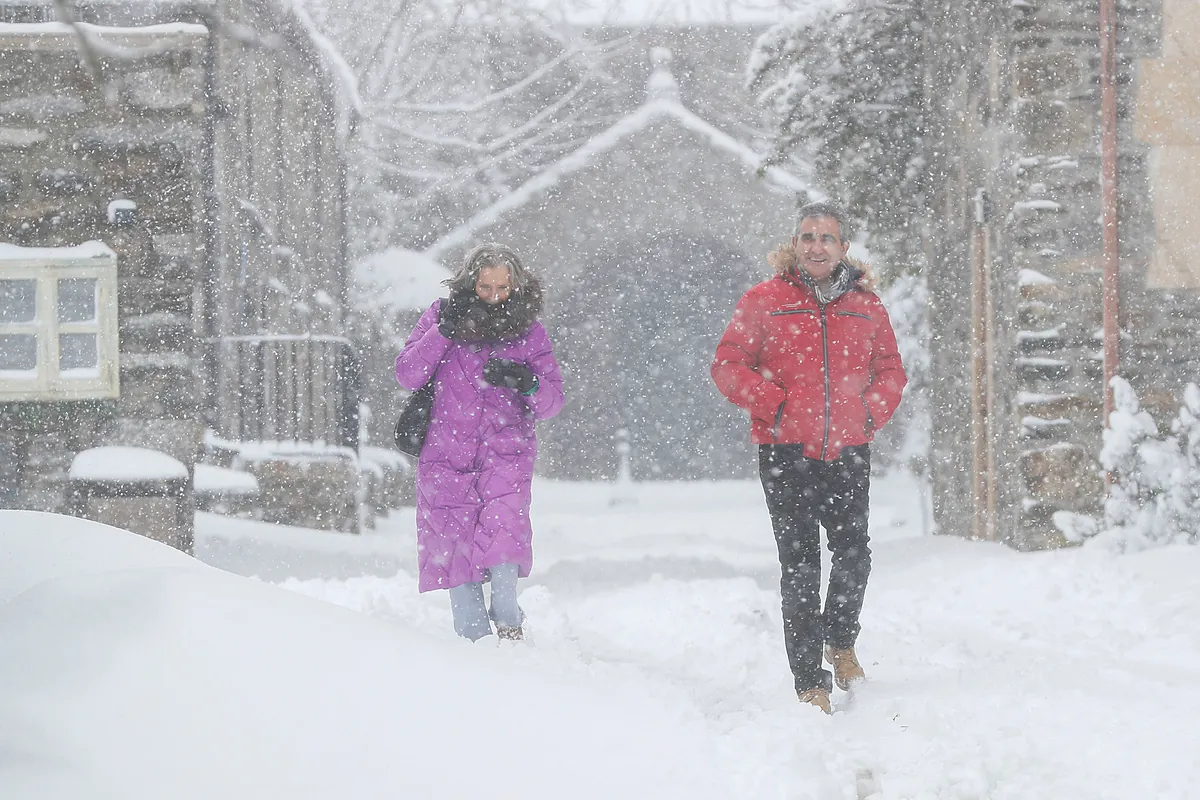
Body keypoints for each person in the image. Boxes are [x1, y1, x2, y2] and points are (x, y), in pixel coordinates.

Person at [710, 202, 907, 713]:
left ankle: (840, 642)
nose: (816, 245)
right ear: (794, 245)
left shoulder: (867, 306)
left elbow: (891, 371)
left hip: (847, 450)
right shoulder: (764, 300)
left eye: (826, 238)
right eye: (807, 237)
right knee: (799, 565)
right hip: (785, 452)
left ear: (843, 248)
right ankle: (808, 680)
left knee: (854, 554)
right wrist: (772, 404)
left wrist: (867, 414)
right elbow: (728, 365)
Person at [395, 243, 564, 642]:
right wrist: (442, 333)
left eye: (502, 287)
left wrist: (528, 383)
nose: (493, 296)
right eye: (485, 286)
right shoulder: (440, 317)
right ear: (470, 283)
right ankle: (474, 642)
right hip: (445, 455)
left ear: (517, 286)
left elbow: (552, 401)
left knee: (504, 534)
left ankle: (507, 617)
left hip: (506, 453)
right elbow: (407, 374)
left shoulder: (529, 331)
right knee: (455, 548)